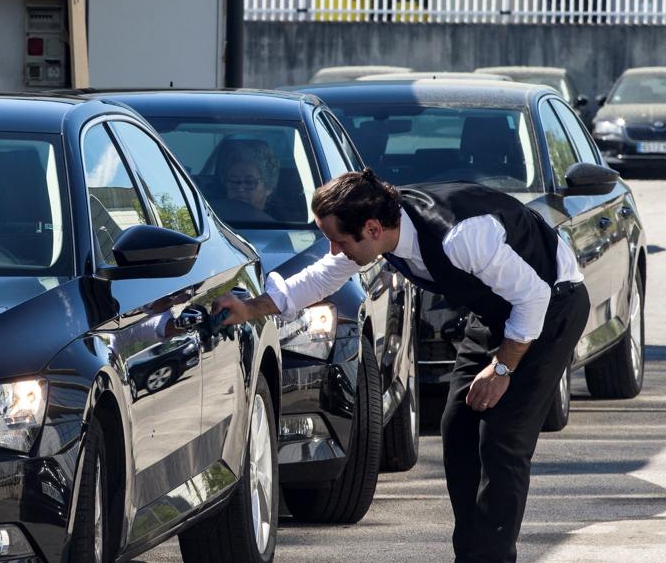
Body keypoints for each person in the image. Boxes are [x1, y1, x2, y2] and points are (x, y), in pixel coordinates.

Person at [214, 169, 587, 563]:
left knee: (503, 437)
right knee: (458, 425)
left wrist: (501, 370)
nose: (335, 249)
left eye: (338, 240)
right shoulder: (383, 223)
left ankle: (493, 557)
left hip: (551, 309)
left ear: (372, 228)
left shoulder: (460, 236)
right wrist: (252, 308)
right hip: (497, 311)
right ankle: (474, 553)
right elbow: (325, 276)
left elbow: (533, 297)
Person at [209, 139, 279, 222]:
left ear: (269, 186)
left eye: (249, 182)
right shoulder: (208, 221)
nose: (240, 189)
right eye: (233, 181)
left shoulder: (286, 226)